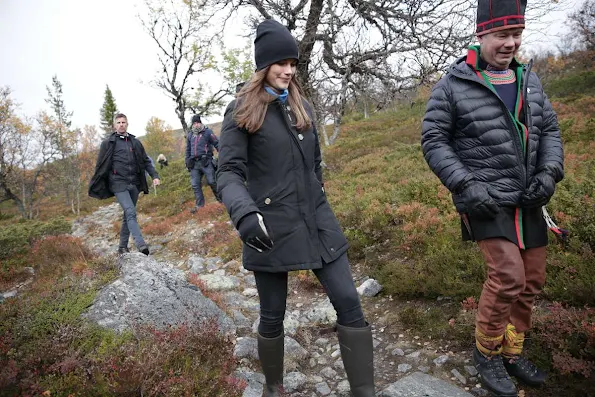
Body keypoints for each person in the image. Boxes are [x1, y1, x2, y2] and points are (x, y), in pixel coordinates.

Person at [217, 19, 374, 397]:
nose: (288, 70)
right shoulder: (241, 109)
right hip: (268, 226)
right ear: (263, 65)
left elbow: (314, 163)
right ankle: (274, 387)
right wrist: (244, 213)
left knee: (349, 300)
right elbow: (228, 173)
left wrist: (316, 191)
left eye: (293, 62)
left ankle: (364, 391)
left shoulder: (302, 105)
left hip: (317, 220)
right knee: (273, 314)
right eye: (280, 63)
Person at [421, 1, 564, 396]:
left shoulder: (529, 80)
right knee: (508, 277)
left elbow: (550, 130)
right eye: (502, 35)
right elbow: (434, 141)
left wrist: (550, 173)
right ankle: (486, 354)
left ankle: (512, 352)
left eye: (516, 35)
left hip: (530, 197)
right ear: (481, 35)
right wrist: (465, 187)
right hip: (483, 198)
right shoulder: (452, 84)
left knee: (531, 281)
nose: (511, 43)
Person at [89, 113, 161, 256]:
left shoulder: (135, 142)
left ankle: (122, 247)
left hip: (133, 183)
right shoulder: (108, 143)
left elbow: (146, 161)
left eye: (123, 122)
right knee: (130, 211)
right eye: (119, 122)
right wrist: (100, 183)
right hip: (118, 183)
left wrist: (154, 176)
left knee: (128, 215)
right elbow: (101, 166)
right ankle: (141, 244)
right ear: (114, 125)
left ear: (127, 124)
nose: (121, 124)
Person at [185, 114, 220, 213]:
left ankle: (221, 201)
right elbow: (188, 149)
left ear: (200, 122)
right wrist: (187, 161)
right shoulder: (190, 135)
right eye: (194, 123)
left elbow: (217, 143)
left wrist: (222, 154)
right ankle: (200, 206)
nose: (196, 125)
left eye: (197, 122)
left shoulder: (207, 132)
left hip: (206, 161)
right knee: (195, 185)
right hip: (194, 164)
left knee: (212, 181)